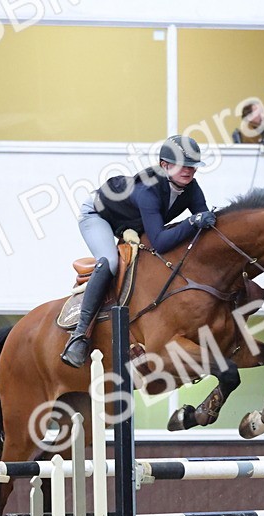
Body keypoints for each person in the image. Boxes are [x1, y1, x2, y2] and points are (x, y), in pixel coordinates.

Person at [61, 134, 217, 368]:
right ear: (165, 165)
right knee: (110, 262)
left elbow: (205, 225)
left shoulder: (191, 189)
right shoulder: (149, 190)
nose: (190, 171)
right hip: (99, 215)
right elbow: (161, 241)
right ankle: (79, 336)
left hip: (132, 222)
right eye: (185, 165)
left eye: (193, 166)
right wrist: (193, 222)